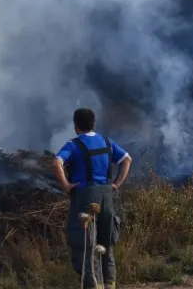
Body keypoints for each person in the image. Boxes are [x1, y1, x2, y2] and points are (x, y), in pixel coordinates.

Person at [53, 107, 132, 289]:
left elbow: (56, 162)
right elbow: (127, 159)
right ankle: (109, 284)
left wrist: (66, 185)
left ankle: (93, 285)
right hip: (107, 196)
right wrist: (116, 184)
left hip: (85, 199)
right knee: (107, 244)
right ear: (93, 123)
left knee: (86, 245)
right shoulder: (106, 141)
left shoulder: (73, 145)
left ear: (75, 126)